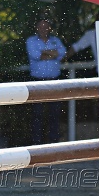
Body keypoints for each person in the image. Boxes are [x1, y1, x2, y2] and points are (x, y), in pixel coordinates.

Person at [26, 16, 68, 144]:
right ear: (37, 28)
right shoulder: (31, 41)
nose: (43, 29)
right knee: (37, 113)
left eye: (45, 26)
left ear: (49, 28)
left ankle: (53, 142)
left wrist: (44, 53)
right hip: (37, 81)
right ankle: (36, 143)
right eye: (41, 26)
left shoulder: (56, 40)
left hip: (54, 80)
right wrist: (52, 53)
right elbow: (36, 55)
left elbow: (63, 53)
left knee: (54, 113)